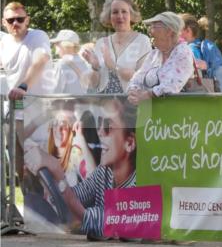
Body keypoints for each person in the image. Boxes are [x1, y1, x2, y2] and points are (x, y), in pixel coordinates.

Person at [23, 98, 137, 239]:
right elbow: (75, 196)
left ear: (129, 143)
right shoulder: (105, 172)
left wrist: (57, 172)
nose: (100, 132)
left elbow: (86, 220)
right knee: (33, 201)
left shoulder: (138, 185)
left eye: (108, 126)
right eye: (99, 123)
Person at [126, 12, 195, 103]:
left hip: (177, 109)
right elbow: (137, 78)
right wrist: (133, 91)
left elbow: (172, 85)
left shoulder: (183, 52)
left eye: (154, 26)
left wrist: (147, 95)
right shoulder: (154, 54)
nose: (150, 31)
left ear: (169, 31)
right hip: (150, 110)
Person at [92, 0, 151, 94]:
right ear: (109, 16)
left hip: (131, 100)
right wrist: (95, 67)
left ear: (131, 15)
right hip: (104, 101)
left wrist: (113, 67)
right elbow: (94, 84)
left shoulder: (142, 41)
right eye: (115, 12)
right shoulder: (101, 43)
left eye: (124, 11)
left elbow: (143, 78)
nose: (120, 16)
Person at [1, 2, 50, 101]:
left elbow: (41, 61)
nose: (15, 23)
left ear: (27, 20)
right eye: (10, 20)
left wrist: (23, 87)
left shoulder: (38, 36)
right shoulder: (4, 42)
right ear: (4, 22)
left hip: (39, 104)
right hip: (15, 103)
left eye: (20, 19)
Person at [179, 13, 222, 92]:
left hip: (197, 92)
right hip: (211, 91)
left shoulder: (191, 49)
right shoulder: (205, 45)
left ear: (188, 30)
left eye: (177, 30)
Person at [51, 30, 98, 95]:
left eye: (57, 43)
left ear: (64, 45)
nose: (55, 45)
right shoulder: (85, 62)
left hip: (65, 101)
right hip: (82, 101)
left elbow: (55, 92)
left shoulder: (61, 64)